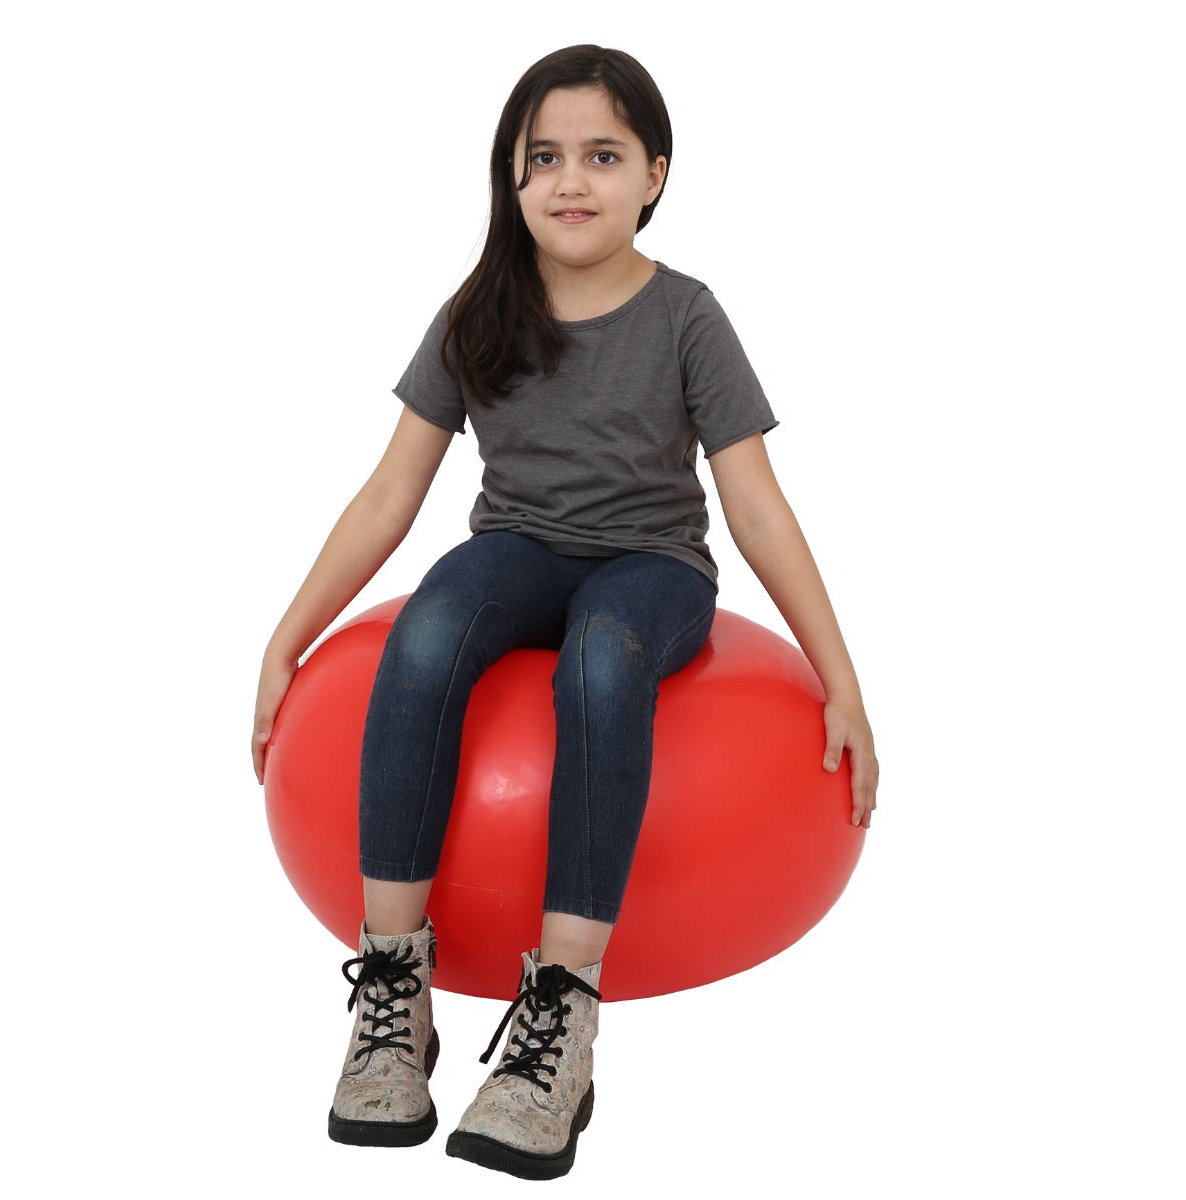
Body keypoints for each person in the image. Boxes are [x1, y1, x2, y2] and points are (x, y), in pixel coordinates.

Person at [251, 44, 877, 1181]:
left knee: (601, 653)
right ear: (510, 174)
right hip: (520, 549)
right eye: (544, 158)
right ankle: (393, 991)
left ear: (656, 175)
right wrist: (286, 639)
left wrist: (845, 681)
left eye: (602, 155)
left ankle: (560, 1019)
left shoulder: (687, 315)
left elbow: (757, 509)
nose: (570, 181)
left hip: (651, 566)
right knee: (431, 626)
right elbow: (392, 490)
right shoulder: (479, 309)